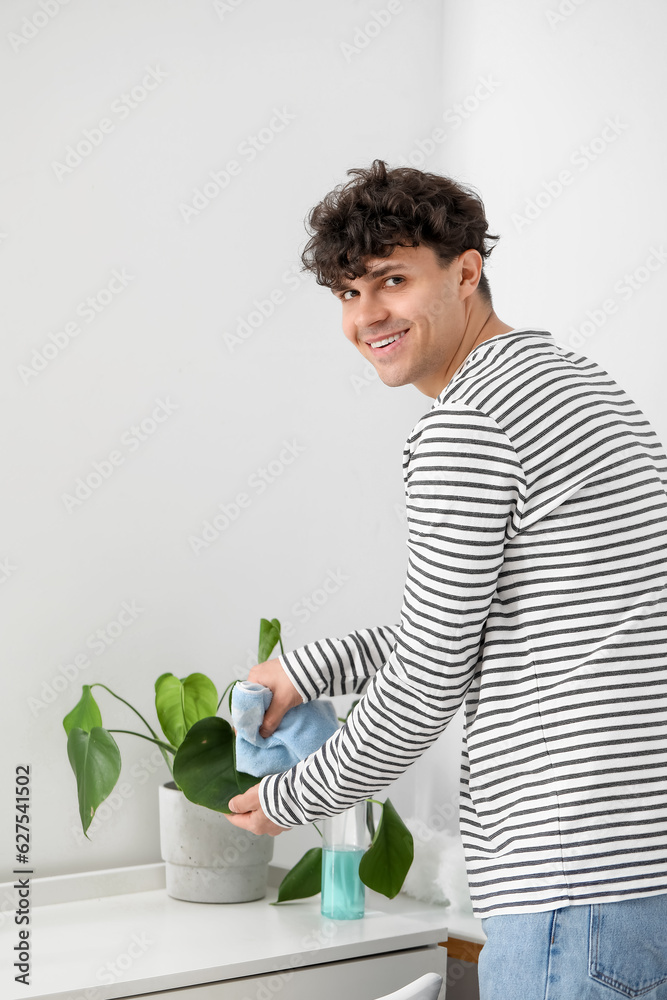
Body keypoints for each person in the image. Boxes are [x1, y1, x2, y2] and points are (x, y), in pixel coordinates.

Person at [227, 159, 667, 998]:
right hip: (637, 872)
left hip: (567, 887)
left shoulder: (466, 425)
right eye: (348, 294)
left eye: (391, 281)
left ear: (466, 271)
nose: (368, 317)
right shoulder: (579, 388)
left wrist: (291, 797)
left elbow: (428, 679)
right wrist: (310, 667)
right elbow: (519, 609)